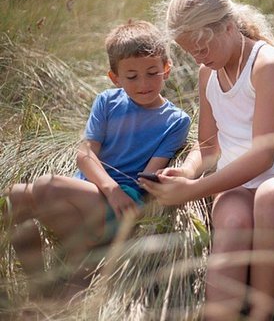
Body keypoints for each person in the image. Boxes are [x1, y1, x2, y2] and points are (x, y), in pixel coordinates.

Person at [143, 0, 274, 321]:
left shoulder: (268, 65)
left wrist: (193, 190)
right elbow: (208, 145)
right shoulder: (209, 73)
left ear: (229, 27)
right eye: (191, 52)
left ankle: (262, 312)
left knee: (271, 197)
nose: (199, 58)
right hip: (237, 184)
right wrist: (187, 172)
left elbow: (264, 155)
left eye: (202, 48)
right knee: (233, 221)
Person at [5, 20, 191, 297]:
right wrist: (108, 188)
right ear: (115, 78)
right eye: (132, 76)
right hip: (96, 189)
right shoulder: (107, 102)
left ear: (166, 69)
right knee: (15, 195)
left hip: (125, 202)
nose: (144, 84)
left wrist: (117, 193)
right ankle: (40, 287)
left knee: (47, 186)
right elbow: (85, 155)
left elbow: (144, 180)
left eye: (153, 72)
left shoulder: (175, 121)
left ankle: (82, 271)